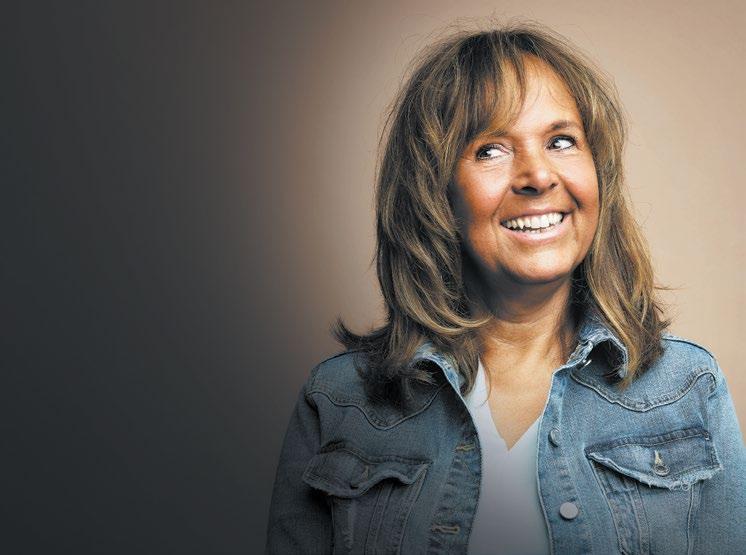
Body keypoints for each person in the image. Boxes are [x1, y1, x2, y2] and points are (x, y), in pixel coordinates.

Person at [265, 21, 746, 554]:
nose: (538, 176)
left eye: (561, 141)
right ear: (434, 191)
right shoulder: (337, 401)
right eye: (491, 150)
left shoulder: (688, 389)